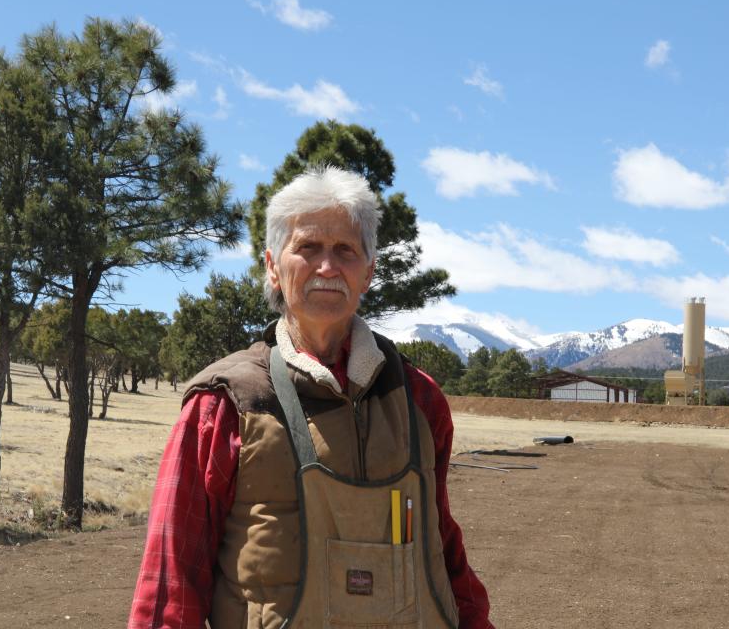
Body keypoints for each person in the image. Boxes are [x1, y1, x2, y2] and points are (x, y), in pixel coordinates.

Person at [128, 166, 494, 628]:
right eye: (307, 248)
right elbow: (170, 584)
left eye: (345, 250)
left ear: (369, 273)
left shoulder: (419, 399)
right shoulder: (225, 404)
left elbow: (443, 551)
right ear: (273, 267)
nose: (327, 266)